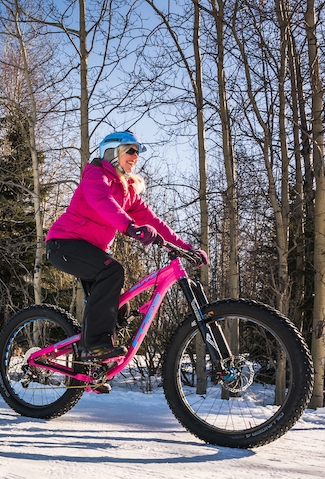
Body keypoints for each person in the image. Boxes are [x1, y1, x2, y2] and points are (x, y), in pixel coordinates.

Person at [45, 130, 208, 365]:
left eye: (138, 152)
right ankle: (94, 347)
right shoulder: (95, 176)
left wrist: (186, 248)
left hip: (91, 251)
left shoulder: (127, 189)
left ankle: (91, 367)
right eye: (131, 151)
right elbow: (103, 203)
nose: (136, 156)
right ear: (112, 152)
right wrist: (130, 227)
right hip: (65, 244)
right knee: (112, 271)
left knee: (119, 308)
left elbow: (153, 221)